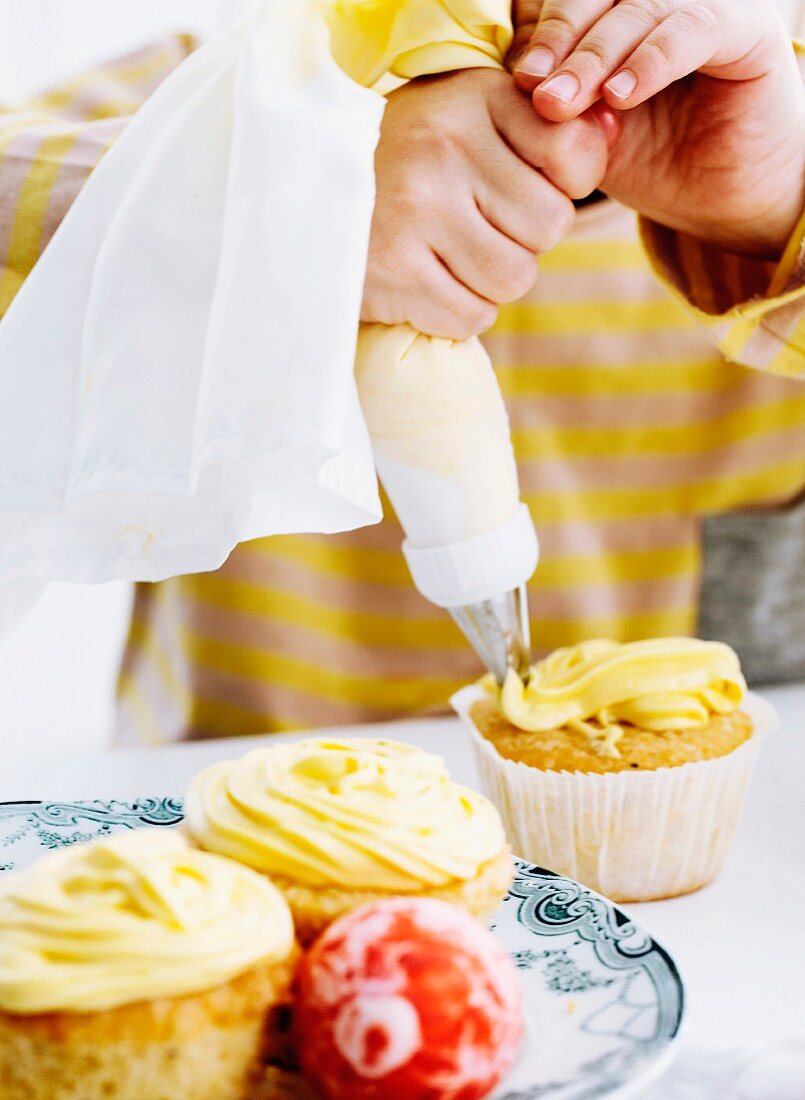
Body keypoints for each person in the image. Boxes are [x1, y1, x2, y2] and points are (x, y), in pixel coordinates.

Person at [1, 0, 803, 743]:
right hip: (228, 823)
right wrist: (278, 194)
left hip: (681, 865)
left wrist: (781, 208)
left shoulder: (770, 112)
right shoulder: (219, 95)